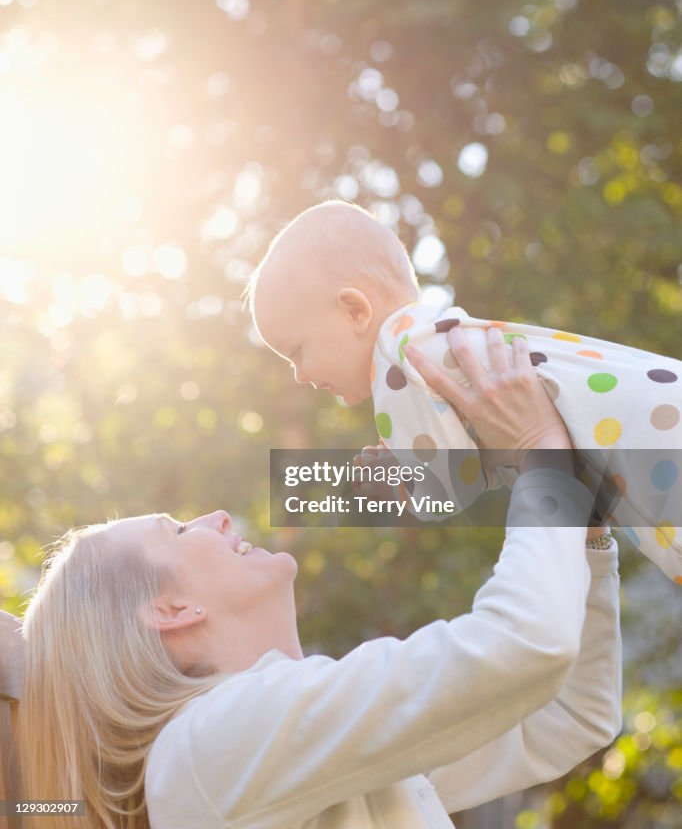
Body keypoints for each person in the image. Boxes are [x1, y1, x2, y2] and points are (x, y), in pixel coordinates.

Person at [19, 330, 620, 829]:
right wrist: (542, 453)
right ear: (170, 609)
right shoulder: (211, 742)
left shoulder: (273, 740)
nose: (217, 517)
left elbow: (567, 715)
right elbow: (523, 645)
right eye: (177, 531)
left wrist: (584, 528)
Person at [247, 199, 682, 581]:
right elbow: (490, 456)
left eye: (297, 351)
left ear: (355, 310)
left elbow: (445, 495)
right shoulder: (440, 337)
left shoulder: (400, 362)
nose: (299, 375)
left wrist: (400, 484)